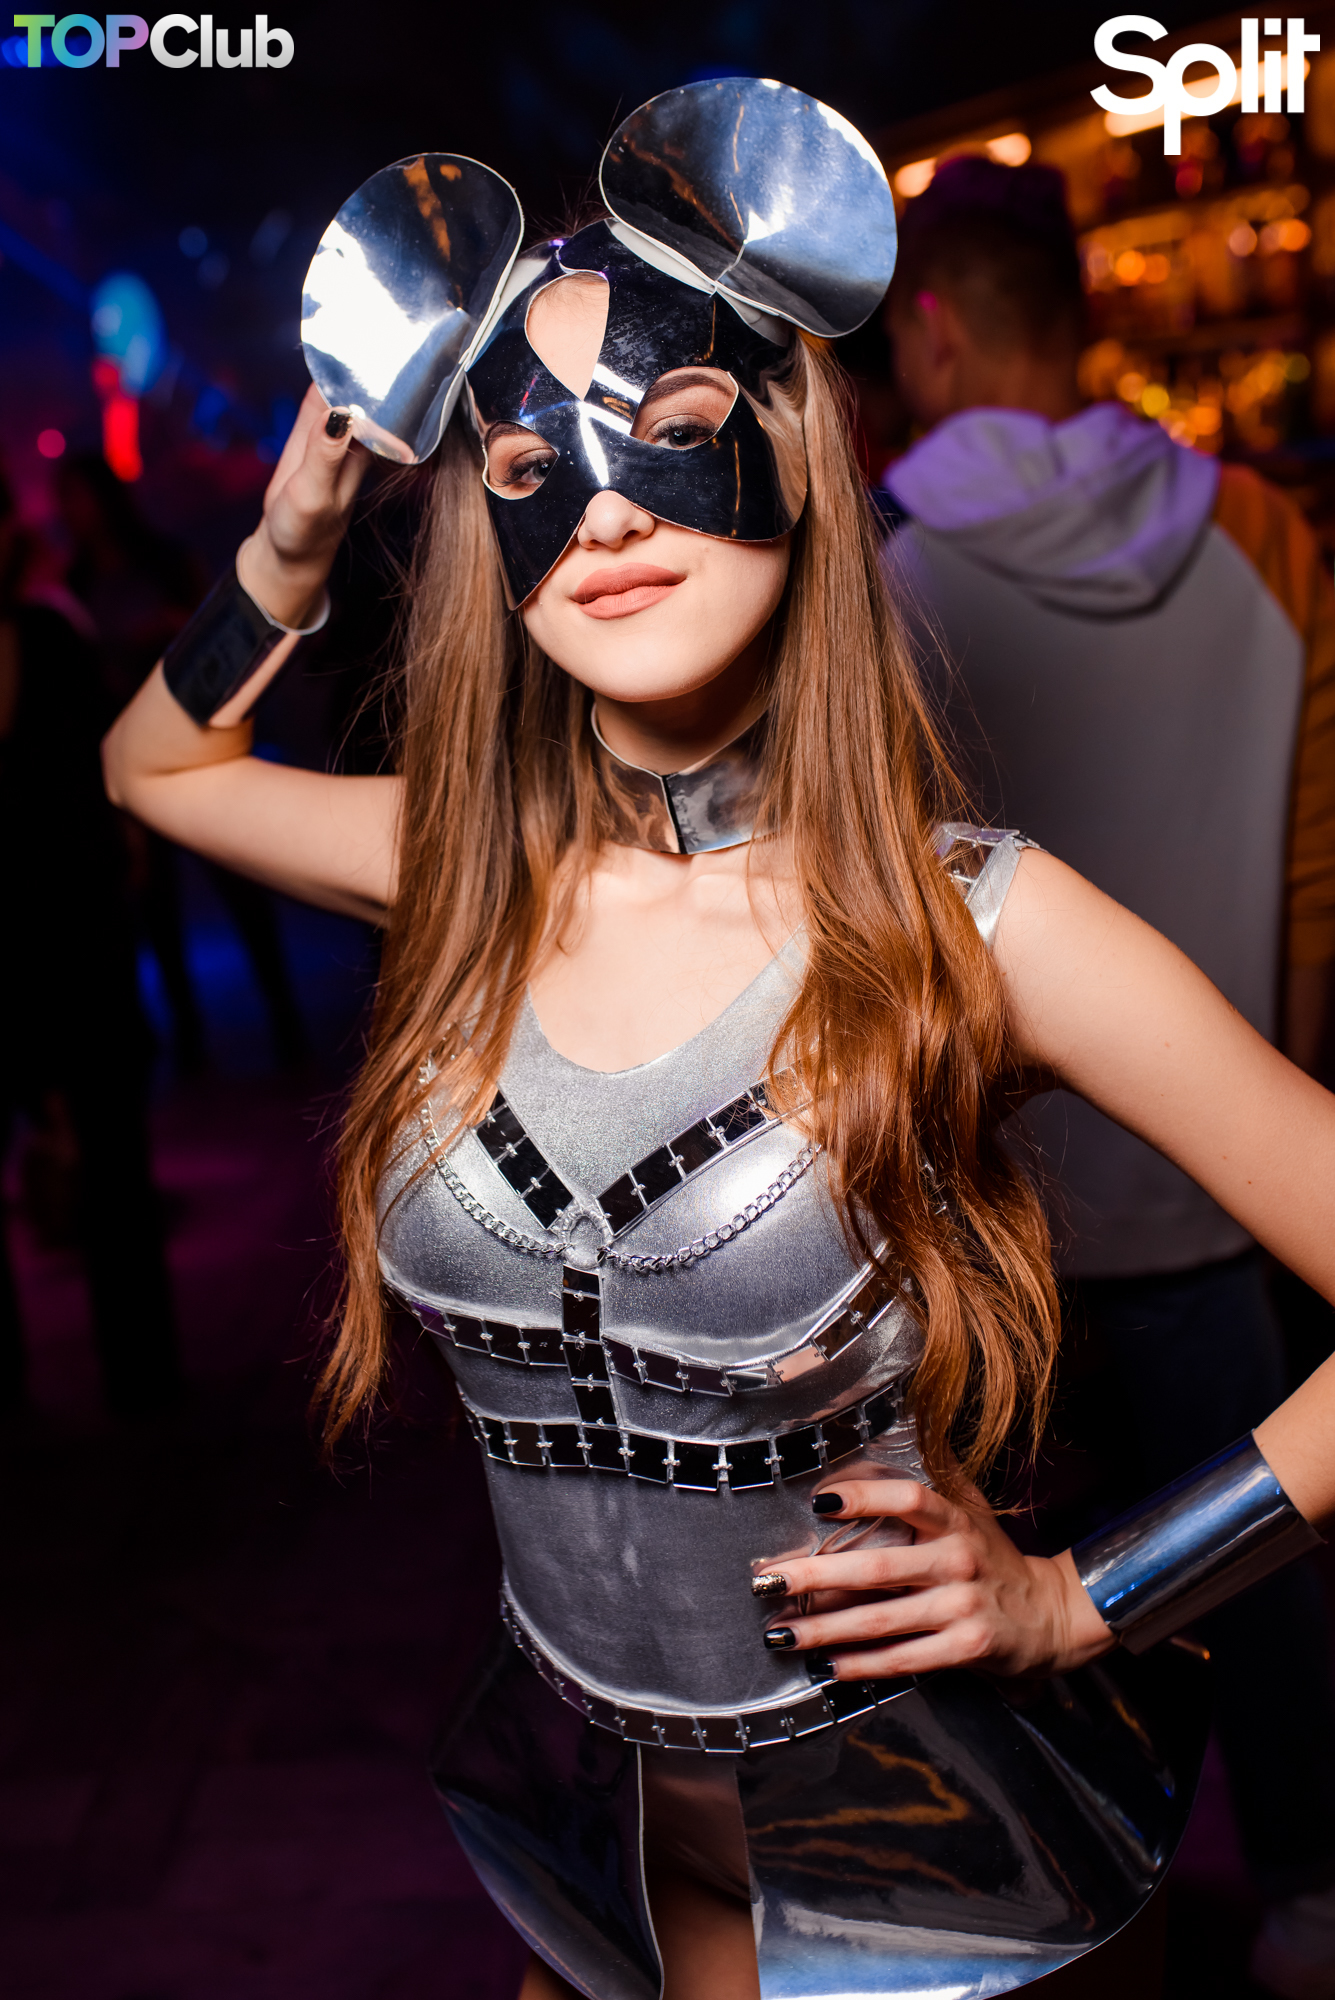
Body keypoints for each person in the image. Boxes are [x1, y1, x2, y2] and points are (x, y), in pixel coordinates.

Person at [100, 84, 1335, 2000]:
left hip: (922, 1867)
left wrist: (1083, 1600)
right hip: (603, 1831)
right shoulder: (463, 864)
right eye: (531, 464)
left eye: (673, 434)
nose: (603, 506)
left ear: (797, 455)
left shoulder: (972, 920)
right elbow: (156, 768)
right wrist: (290, 534)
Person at [879, 155, 1335, 1999]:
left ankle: (1059, 1935)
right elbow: (1316, 865)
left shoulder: (881, 571)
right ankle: (1310, 1903)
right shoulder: (1264, 530)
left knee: (991, 1631)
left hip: (988, 1229)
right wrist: (1273, 1119)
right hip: (1232, 1194)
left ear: (930, 329)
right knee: (1269, 1586)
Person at [0, 466, 180, 1416]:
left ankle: (146, 1382)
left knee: (113, 1156)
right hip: (35, 935)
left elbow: (106, 767)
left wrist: (128, 854)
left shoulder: (51, 633)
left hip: (75, 925)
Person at [57, 451, 309, 1073]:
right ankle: (191, 1043)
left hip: (198, 737)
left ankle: (286, 1024)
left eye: (78, 494)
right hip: (125, 742)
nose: (71, 509)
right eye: (65, 498)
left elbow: (220, 631)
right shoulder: (75, 582)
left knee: (239, 881)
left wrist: (170, 629)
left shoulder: (163, 561)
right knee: (158, 903)